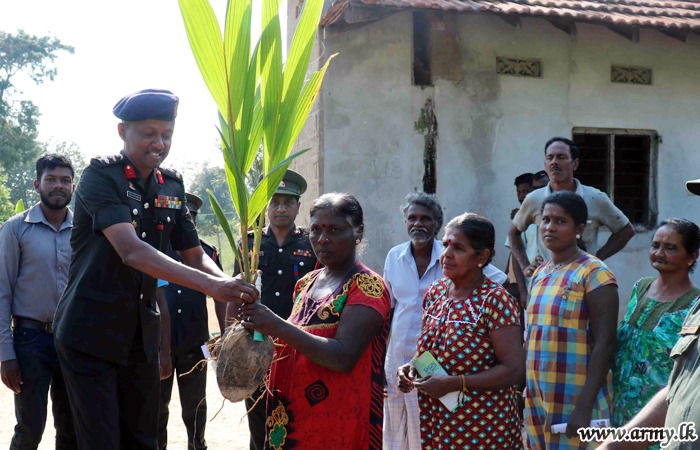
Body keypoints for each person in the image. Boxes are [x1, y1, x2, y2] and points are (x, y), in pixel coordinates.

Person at [52, 89, 258, 450]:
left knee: (144, 439)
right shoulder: (101, 177)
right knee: (100, 441)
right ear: (122, 131)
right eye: (148, 133)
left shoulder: (172, 185)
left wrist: (230, 283)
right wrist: (213, 288)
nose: (158, 143)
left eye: (166, 134)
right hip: (89, 333)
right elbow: (132, 251)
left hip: (140, 337)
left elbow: (194, 255)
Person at [240, 192, 391, 450]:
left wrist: (275, 324)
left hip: (337, 424)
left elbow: (343, 357)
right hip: (289, 419)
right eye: (315, 230)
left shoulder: (367, 286)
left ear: (358, 232)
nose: (322, 239)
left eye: (335, 229)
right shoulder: (306, 284)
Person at [382, 192, 507, 450]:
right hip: (397, 360)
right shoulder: (394, 257)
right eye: (412, 218)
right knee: (392, 433)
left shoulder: (453, 255)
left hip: (434, 365)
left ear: (437, 224)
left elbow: (495, 278)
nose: (418, 224)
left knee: (422, 428)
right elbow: (389, 311)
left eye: (425, 219)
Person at [598, 179, 700, 450]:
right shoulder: (639, 288)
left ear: (691, 257)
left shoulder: (694, 304)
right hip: (623, 406)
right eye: (656, 245)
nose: (659, 253)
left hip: (663, 415)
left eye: (671, 248)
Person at [227, 169, 318, 450]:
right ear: (266, 206)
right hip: (256, 343)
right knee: (257, 414)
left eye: (288, 202)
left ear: (298, 206)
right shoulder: (250, 243)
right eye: (275, 202)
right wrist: (227, 336)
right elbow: (235, 290)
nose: (281, 208)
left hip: (296, 342)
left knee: (296, 413)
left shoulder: (310, 244)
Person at [526, 191, 619, 449]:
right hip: (539, 397)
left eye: (560, 221)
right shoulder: (540, 274)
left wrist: (584, 406)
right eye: (545, 220)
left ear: (579, 229)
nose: (549, 227)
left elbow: (606, 342)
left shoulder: (594, 272)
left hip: (576, 399)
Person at [0, 154, 77, 450]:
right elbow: (3, 292)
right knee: (30, 428)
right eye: (51, 179)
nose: (58, 185)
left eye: (65, 180)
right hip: (30, 341)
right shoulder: (16, 229)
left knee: (70, 427)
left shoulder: (85, 230)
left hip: (72, 341)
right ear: (37, 184)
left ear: (73, 186)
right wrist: (6, 354)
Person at [508, 137, 635, 285]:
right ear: (545, 164)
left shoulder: (595, 198)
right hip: (544, 282)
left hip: (583, 282)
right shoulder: (534, 199)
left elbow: (626, 230)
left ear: (575, 164)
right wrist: (525, 266)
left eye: (561, 157)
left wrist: (596, 258)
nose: (554, 162)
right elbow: (513, 232)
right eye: (550, 158)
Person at [158, 193, 226, 450]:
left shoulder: (207, 253)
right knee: (157, 405)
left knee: (195, 403)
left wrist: (223, 333)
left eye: (190, 218)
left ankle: (197, 445)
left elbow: (220, 294)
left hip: (194, 340)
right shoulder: (154, 251)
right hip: (158, 342)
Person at [504, 173, 541, 307]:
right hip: (528, 283)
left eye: (525, 191)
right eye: (518, 192)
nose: (521, 196)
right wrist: (522, 292)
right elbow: (515, 254)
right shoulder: (520, 219)